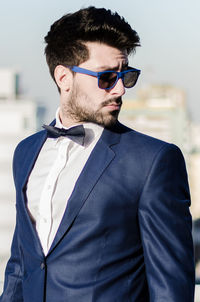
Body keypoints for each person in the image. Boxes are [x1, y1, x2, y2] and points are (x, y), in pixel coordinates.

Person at [0, 6, 195, 302]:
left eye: (126, 76)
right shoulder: (25, 152)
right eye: (106, 77)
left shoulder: (152, 161)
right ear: (64, 78)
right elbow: (20, 264)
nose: (120, 90)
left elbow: (171, 289)